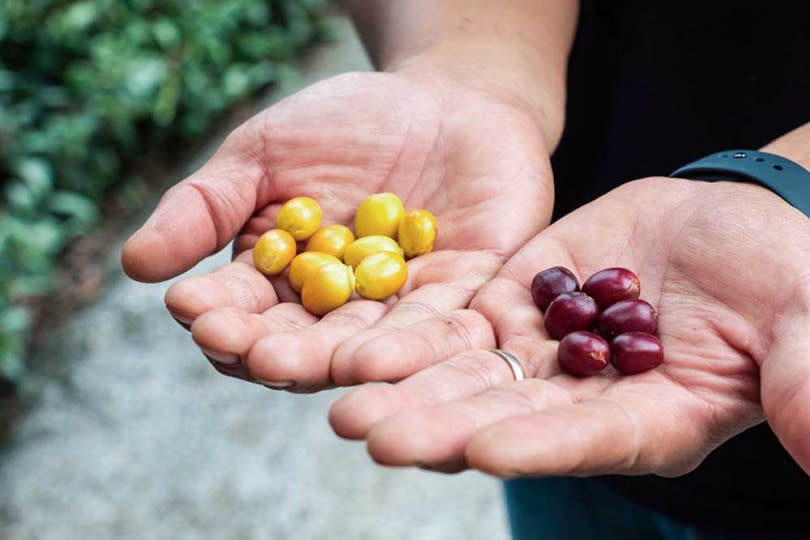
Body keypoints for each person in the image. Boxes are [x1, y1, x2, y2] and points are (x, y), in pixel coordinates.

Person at [121, 1, 810, 538]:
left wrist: (792, 193)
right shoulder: (534, 307)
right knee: (546, 464)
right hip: (531, 320)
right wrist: (466, 66)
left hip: (776, 475)